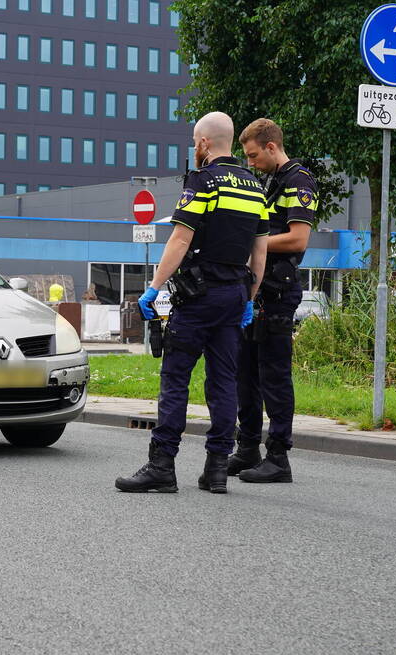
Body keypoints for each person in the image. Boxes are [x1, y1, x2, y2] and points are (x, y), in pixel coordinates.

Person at [115, 112, 268, 494]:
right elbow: (259, 249)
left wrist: (153, 287)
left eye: (194, 142)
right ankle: (216, 470)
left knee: (175, 378)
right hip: (235, 295)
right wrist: (249, 297)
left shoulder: (203, 180)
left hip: (199, 295)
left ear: (202, 143)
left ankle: (161, 465)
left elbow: (181, 239)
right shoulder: (255, 186)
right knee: (223, 382)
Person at [229, 118, 318, 483]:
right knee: (245, 375)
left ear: (270, 146)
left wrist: (252, 246)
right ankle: (248, 448)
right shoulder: (268, 180)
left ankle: (278, 457)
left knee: (274, 377)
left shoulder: (299, 180)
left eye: (253, 156)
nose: (250, 163)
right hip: (255, 290)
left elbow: (298, 240)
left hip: (278, 292)